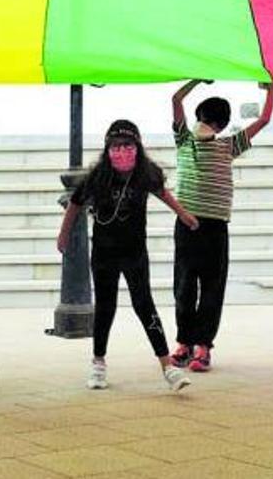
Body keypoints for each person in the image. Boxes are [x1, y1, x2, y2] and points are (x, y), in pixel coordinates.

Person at [57, 120, 195, 391]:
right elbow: (75, 204)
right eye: (116, 147)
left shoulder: (145, 175)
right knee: (105, 307)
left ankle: (167, 366)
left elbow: (163, 193)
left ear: (137, 148)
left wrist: (184, 214)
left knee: (144, 305)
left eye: (128, 146)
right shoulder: (97, 178)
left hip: (134, 253)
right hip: (104, 254)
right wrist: (63, 235)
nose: (122, 152)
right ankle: (98, 362)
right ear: (108, 150)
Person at [169, 80, 273, 372]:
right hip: (197, 225)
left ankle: (195, 345)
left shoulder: (222, 144)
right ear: (224, 123)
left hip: (204, 226)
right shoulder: (192, 141)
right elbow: (264, 118)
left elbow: (176, 99)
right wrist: (271, 90)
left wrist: (195, 80)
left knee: (197, 287)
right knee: (190, 286)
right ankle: (191, 345)